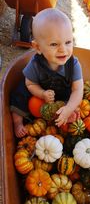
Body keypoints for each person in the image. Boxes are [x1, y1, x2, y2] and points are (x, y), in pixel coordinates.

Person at [10, 8, 84, 138]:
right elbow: (30, 84)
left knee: (72, 107)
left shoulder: (73, 65)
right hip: (40, 94)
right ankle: (17, 122)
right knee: (19, 92)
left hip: (61, 97)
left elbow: (78, 90)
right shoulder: (35, 64)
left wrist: (69, 108)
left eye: (68, 42)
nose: (63, 49)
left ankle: (64, 114)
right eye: (54, 44)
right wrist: (42, 93)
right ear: (37, 47)